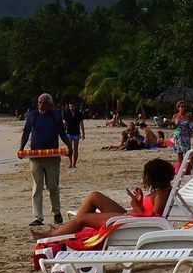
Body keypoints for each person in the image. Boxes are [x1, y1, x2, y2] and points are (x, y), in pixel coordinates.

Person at [39, 158, 177, 238]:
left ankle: (54, 236)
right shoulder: (161, 190)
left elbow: (155, 219)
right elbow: (148, 212)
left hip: (133, 223)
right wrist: (139, 202)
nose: (145, 178)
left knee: (83, 219)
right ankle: (64, 230)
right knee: (95, 196)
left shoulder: (162, 194)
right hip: (131, 217)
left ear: (155, 176)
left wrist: (135, 204)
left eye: (147, 176)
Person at [18, 93, 71, 227]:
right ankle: (38, 217)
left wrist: (70, 148)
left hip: (52, 158)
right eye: (39, 103)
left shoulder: (56, 116)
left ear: (50, 104)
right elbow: (26, 132)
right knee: (37, 187)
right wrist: (21, 148)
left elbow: (62, 133)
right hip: (36, 158)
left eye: (43, 103)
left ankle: (56, 212)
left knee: (53, 186)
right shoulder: (32, 115)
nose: (40, 105)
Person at [61, 101, 84, 170]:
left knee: (76, 149)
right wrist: (63, 132)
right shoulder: (66, 113)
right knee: (70, 149)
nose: (71, 108)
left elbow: (81, 124)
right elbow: (65, 124)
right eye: (70, 106)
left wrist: (83, 133)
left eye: (72, 106)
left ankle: (74, 164)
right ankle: (70, 163)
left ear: (75, 106)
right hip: (69, 133)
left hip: (77, 133)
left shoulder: (79, 114)